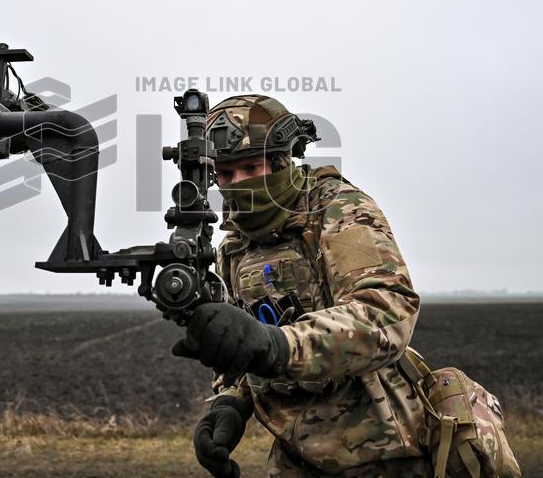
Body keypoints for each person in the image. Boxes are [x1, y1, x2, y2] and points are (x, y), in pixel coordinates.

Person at [172, 95, 427, 478]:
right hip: (298, 458)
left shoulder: (337, 209)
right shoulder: (233, 248)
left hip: (389, 450)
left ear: (280, 161)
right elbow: (247, 343)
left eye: (250, 167)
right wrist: (229, 404)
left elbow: (387, 312)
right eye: (225, 174)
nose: (238, 184)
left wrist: (279, 344)